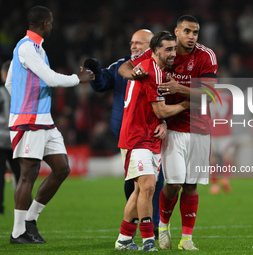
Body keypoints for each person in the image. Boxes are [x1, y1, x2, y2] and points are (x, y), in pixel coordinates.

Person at [118, 15, 218, 250]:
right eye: (187, 31)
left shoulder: (206, 56)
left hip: (199, 128)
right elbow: (126, 65)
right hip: (170, 127)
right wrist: (136, 75)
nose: (191, 37)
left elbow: (210, 94)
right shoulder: (164, 52)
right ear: (177, 31)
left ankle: (186, 239)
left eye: (195, 33)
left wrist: (178, 88)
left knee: (191, 185)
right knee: (171, 184)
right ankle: (162, 228)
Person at [5, 6, 94, 244]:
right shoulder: (26, 47)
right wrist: (78, 79)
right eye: (51, 23)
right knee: (28, 174)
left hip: (43, 120)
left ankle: (30, 219)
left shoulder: (32, 48)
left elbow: (10, 84)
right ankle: (17, 233)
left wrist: (26, 99)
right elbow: (51, 78)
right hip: (30, 121)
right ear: (45, 24)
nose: (52, 27)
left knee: (62, 168)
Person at [84, 29, 165, 238]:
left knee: (153, 181)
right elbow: (101, 83)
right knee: (136, 184)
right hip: (128, 135)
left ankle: (150, 226)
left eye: (138, 43)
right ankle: (134, 227)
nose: (133, 46)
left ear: (151, 46)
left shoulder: (159, 68)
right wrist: (95, 71)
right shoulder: (122, 65)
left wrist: (164, 122)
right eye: (131, 43)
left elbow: (165, 100)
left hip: (153, 132)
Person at [115, 31, 190, 252]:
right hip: (137, 136)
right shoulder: (150, 70)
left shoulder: (157, 71)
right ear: (156, 51)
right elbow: (161, 109)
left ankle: (123, 239)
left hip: (150, 135)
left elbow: (157, 112)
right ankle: (149, 240)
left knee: (140, 191)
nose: (173, 53)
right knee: (148, 186)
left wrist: (163, 123)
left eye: (174, 49)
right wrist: (186, 105)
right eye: (168, 49)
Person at [0, 60, 21, 215]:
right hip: (16, 138)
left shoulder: (1, 92)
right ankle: (25, 204)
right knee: (22, 175)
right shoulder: (20, 91)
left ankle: (0, 207)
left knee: (1, 176)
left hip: (1, 139)